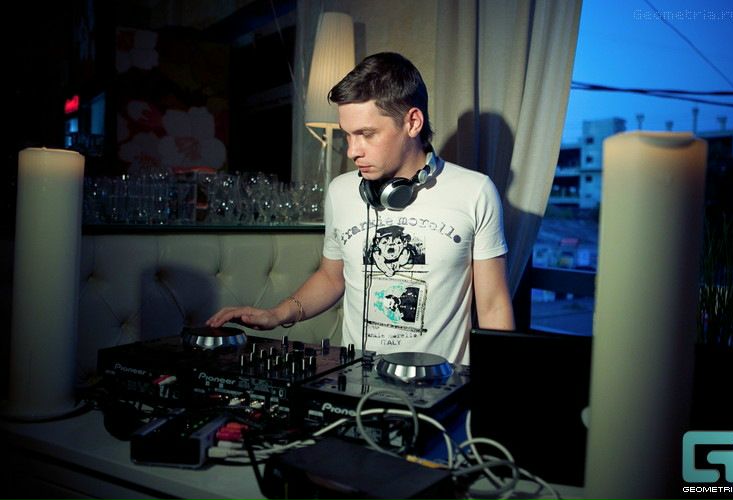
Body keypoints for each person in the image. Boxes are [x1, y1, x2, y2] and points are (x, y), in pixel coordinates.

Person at [207, 52, 514, 364]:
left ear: (412, 122)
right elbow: (331, 277)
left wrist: (498, 387)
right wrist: (276, 314)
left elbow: (493, 305)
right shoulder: (341, 191)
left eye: (366, 134)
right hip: (357, 379)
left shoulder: (475, 191)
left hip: (440, 384)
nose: (352, 151)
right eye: (347, 135)